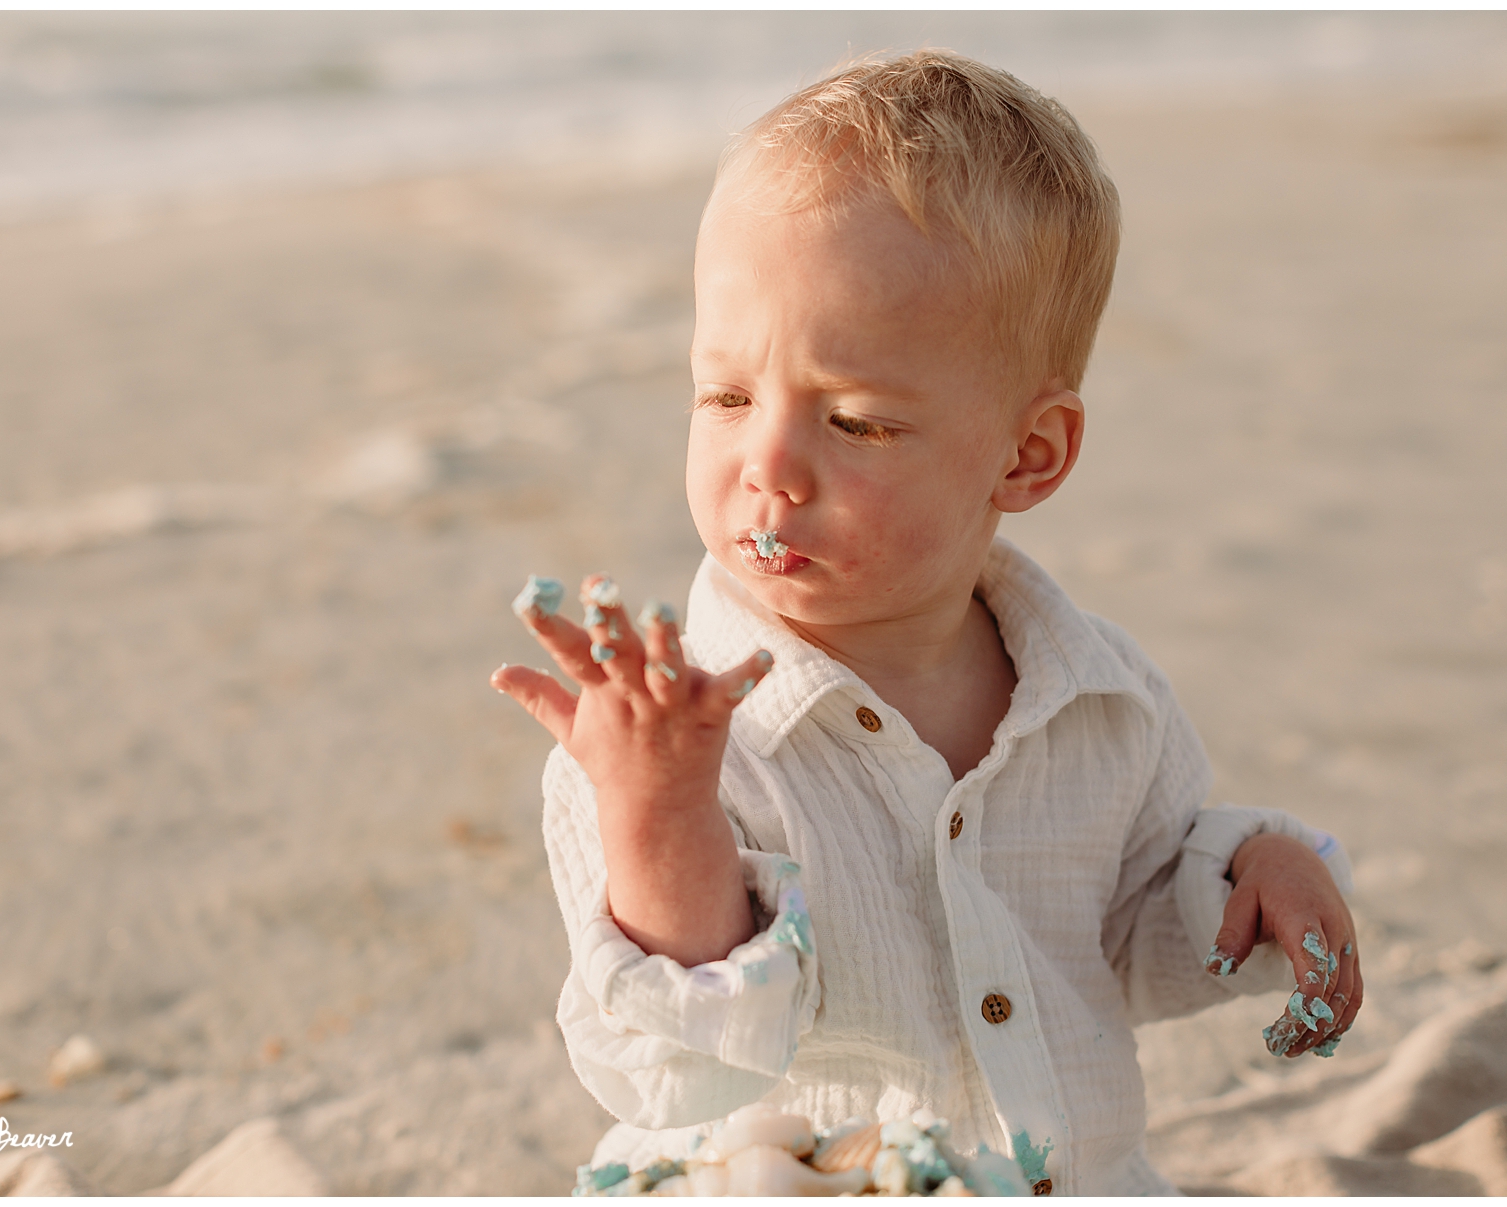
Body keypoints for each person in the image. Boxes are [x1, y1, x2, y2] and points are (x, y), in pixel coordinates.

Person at [491, 49, 1361, 1195]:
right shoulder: (659, 740)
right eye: (728, 395)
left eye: (855, 423)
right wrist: (659, 816)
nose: (769, 466)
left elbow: (1129, 927)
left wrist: (1256, 868)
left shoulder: (1099, 697)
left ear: (1027, 453)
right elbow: (679, 1068)